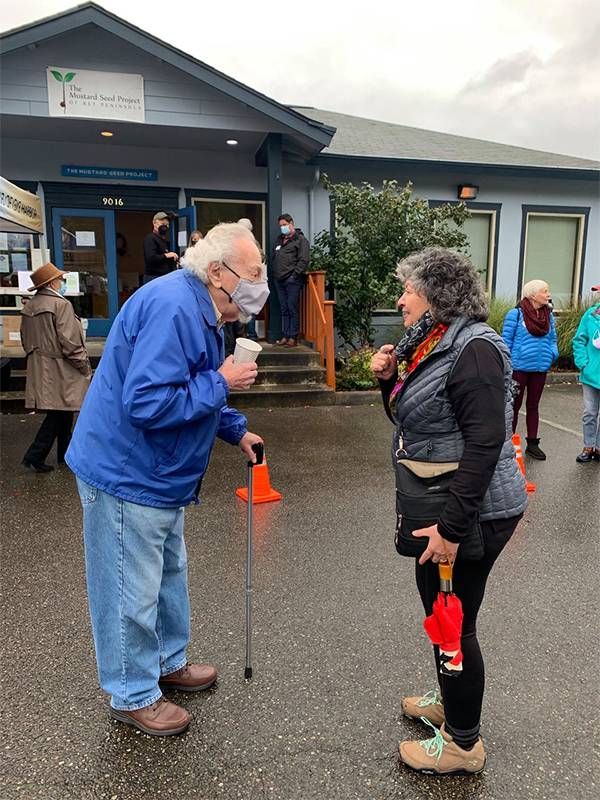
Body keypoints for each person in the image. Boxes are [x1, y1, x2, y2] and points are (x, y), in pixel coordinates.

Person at [65, 223, 270, 736]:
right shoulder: (174, 306)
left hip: (157, 475)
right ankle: (132, 690)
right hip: (126, 472)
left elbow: (191, 381)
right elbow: (150, 402)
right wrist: (222, 381)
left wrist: (236, 430)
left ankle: (166, 662)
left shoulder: (205, 307)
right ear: (218, 270)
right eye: (252, 274)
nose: (258, 285)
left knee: (167, 575)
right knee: (128, 587)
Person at [370, 248, 527, 775]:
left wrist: (452, 530)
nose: (400, 299)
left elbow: (486, 443)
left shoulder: (474, 349)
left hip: (469, 513)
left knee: (453, 621)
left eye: (408, 289)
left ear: (436, 294)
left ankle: (463, 744)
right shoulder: (433, 341)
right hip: (447, 504)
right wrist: (389, 378)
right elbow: (416, 417)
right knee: (442, 615)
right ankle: (450, 703)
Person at [20, 263, 91, 473]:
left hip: (41, 365)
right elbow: (69, 341)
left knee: (63, 411)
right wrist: (84, 365)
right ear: (52, 283)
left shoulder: (30, 307)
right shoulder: (61, 306)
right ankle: (35, 454)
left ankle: (65, 454)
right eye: (60, 279)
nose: (63, 283)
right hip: (61, 366)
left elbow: (25, 339)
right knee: (58, 413)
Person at [501, 280, 558, 460]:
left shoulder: (548, 315)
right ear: (533, 294)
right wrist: (507, 364)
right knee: (514, 406)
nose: (548, 294)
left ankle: (532, 444)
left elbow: (552, 338)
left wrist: (552, 354)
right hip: (518, 368)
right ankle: (509, 443)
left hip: (540, 367)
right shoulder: (515, 314)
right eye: (545, 291)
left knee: (533, 406)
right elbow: (505, 341)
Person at [572, 285, 600, 463]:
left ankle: (599, 448)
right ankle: (588, 445)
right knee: (590, 412)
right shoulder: (590, 315)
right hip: (591, 375)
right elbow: (579, 340)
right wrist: (583, 363)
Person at [272, 213, 309, 347]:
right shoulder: (279, 240)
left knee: (292, 307)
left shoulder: (300, 240)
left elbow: (304, 259)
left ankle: (293, 337)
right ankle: (285, 335)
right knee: (284, 309)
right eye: (281, 225)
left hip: (292, 280)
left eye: (284, 225)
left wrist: (294, 275)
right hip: (279, 280)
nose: (282, 228)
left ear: (291, 223)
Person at [143, 211, 179, 281]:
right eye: (162, 223)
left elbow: (163, 259)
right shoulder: (150, 238)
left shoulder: (163, 240)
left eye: (167, 224)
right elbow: (150, 258)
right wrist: (167, 255)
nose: (165, 226)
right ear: (154, 223)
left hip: (163, 277)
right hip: (153, 278)